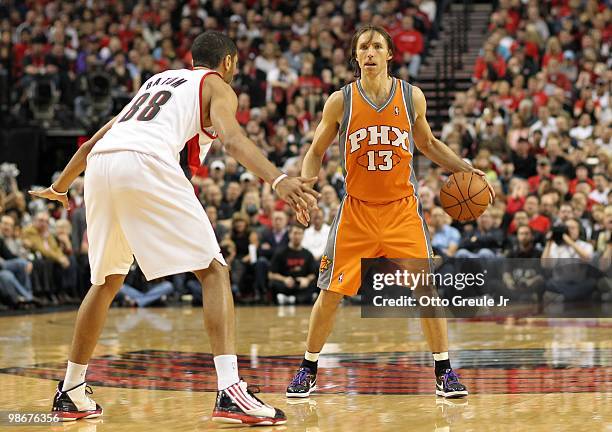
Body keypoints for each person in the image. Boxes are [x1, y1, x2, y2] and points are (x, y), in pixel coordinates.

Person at [30, 31, 319, 425]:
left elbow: (88, 146)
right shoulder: (216, 85)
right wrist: (277, 179)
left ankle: (71, 390)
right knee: (214, 270)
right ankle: (230, 390)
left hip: (100, 166)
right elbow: (232, 140)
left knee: (106, 281)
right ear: (229, 62)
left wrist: (60, 188)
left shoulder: (156, 80)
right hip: (146, 162)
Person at [286, 25, 494, 400]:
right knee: (330, 293)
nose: (369, 52)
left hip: (402, 212)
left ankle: (444, 371)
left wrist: (462, 167)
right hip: (357, 212)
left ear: (389, 55)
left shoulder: (411, 97)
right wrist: (306, 187)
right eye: (363, 47)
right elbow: (316, 150)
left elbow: (427, 143)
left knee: (426, 290)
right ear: (356, 56)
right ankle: (308, 367)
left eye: (376, 46)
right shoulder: (340, 101)